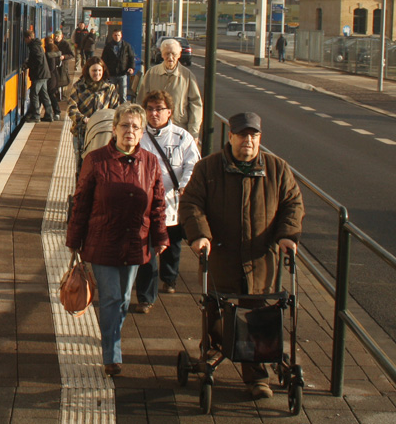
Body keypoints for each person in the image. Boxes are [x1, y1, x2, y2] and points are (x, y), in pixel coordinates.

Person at [179, 111, 304, 400]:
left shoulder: (277, 169)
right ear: (231, 136)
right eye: (242, 135)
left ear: (260, 138)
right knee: (216, 309)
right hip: (221, 257)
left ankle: (257, 376)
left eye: (254, 135)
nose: (248, 140)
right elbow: (191, 203)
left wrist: (287, 234)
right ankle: (212, 354)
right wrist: (199, 235)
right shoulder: (208, 169)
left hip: (261, 260)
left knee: (258, 315)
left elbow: (292, 204)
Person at [65, 103, 169, 377]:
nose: (130, 132)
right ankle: (112, 353)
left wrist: (160, 236)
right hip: (103, 241)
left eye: (136, 127)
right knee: (111, 297)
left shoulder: (150, 162)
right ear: (114, 129)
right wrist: (74, 239)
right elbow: (82, 202)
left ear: (142, 131)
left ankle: (111, 336)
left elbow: (158, 203)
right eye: (125, 125)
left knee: (123, 298)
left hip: (136, 241)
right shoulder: (96, 160)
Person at [132, 90, 200, 313]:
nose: (154, 113)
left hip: (173, 202)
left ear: (169, 112)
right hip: (147, 205)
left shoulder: (182, 137)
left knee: (172, 245)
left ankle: (169, 278)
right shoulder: (139, 136)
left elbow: (193, 164)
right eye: (149, 109)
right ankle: (145, 297)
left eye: (159, 109)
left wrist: (184, 185)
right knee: (148, 250)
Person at [136, 37, 202, 140]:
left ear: (179, 55)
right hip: (154, 128)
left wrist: (193, 132)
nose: (170, 57)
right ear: (162, 54)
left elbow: (196, 105)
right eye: (167, 53)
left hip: (179, 128)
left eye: (174, 54)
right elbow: (141, 101)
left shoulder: (187, 76)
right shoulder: (152, 73)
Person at [66, 56, 122, 164]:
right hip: (82, 131)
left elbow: (116, 109)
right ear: (88, 71)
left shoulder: (109, 88)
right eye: (94, 70)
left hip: (103, 132)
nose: (97, 73)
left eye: (100, 70)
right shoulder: (78, 87)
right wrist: (83, 119)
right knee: (82, 163)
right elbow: (71, 108)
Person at [24, 30, 53, 122]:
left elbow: (38, 60)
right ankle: (49, 114)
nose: (25, 42)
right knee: (44, 94)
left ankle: (36, 115)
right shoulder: (37, 45)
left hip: (39, 75)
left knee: (34, 94)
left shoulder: (34, 47)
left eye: (25, 39)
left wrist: (28, 64)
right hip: (43, 74)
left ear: (29, 38)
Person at [101, 29, 135, 102]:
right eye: (115, 35)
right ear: (112, 36)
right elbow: (103, 60)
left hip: (122, 73)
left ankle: (123, 110)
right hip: (111, 74)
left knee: (123, 94)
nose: (117, 37)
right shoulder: (108, 46)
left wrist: (131, 68)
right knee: (110, 94)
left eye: (118, 35)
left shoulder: (126, 46)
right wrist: (104, 71)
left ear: (121, 36)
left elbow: (131, 57)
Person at [43, 35, 62, 119]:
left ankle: (56, 112)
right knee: (51, 94)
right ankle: (54, 112)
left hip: (50, 78)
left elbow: (50, 68)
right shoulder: (56, 53)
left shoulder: (49, 55)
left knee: (50, 95)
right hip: (55, 76)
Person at [54, 30, 75, 95]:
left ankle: (62, 94)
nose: (56, 38)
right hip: (55, 64)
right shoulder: (53, 43)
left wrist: (64, 57)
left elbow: (72, 54)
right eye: (55, 36)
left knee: (63, 79)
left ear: (61, 36)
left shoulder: (66, 44)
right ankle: (57, 93)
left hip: (63, 64)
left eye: (58, 36)